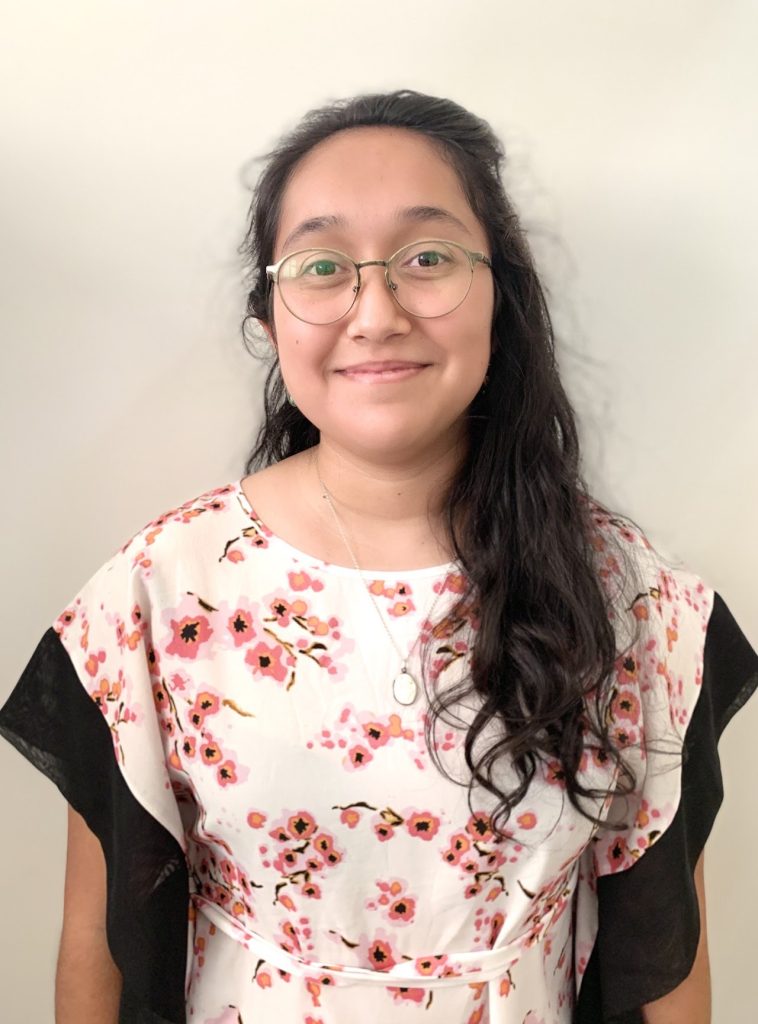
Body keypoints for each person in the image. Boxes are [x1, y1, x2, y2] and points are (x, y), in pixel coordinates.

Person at [1, 89, 755, 1024]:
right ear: (270, 318)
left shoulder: (627, 596)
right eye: (322, 267)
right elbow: (96, 941)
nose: (376, 311)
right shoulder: (162, 590)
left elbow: (666, 948)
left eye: (426, 257)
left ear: (502, 295)